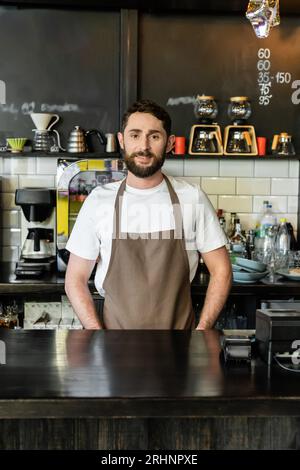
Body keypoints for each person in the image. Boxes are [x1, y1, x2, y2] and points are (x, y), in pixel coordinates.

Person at [65, 99, 232, 330]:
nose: (144, 146)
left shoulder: (192, 197)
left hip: (180, 348)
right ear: (122, 141)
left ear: (169, 143)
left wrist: (202, 332)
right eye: (134, 135)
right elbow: (75, 279)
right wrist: (96, 333)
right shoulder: (98, 200)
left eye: (154, 136)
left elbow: (221, 271)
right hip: (114, 349)